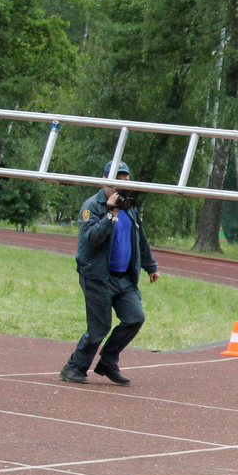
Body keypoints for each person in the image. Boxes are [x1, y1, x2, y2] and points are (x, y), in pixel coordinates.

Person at [59, 161, 159, 386]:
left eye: (126, 179)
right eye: (118, 179)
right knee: (99, 328)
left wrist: (150, 266)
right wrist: (111, 213)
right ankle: (74, 367)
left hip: (124, 278)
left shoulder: (130, 207)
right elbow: (93, 237)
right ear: (105, 180)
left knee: (135, 318)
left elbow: (139, 238)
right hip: (97, 276)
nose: (122, 183)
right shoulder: (92, 206)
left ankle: (107, 361)